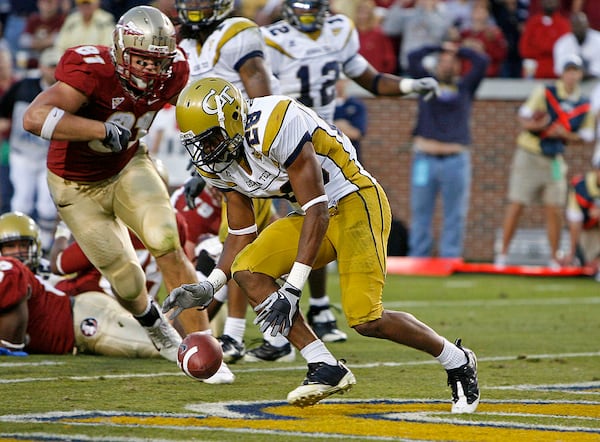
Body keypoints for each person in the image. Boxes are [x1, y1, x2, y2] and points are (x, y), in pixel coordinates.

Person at [163, 76, 480, 413]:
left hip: (355, 201)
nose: (206, 151)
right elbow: (241, 232)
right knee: (248, 269)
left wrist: (292, 290)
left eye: (210, 139)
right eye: (198, 142)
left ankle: (457, 359)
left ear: (232, 121)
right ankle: (324, 365)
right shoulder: (217, 163)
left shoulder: (274, 121)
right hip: (314, 213)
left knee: (365, 319)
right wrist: (210, 285)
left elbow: (317, 208)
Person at [21, 6, 202, 364]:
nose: (151, 72)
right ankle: (156, 327)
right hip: (76, 184)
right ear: (121, 51)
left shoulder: (175, 71)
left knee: (166, 238)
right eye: (142, 61)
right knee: (125, 275)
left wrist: (205, 162)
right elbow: (33, 117)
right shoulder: (92, 70)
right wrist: (100, 129)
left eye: (158, 63)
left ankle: (206, 341)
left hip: (127, 165)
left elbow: (194, 114)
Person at [259, 0, 439, 358]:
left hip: (321, 141)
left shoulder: (339, 30)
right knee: (298, 224)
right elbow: (260, 92)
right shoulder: (271, 38)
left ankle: (318, 308)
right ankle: (287, 323)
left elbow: (368, 79)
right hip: (280, 139)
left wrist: (408, 86)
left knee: (319, 217)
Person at [174, 0, 280, 364]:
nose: (195, 6)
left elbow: (263, 97)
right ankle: (276, 336)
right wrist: (198, 169)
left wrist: (261, 146)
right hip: (220, 154)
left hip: (250, 152)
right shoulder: (185, 46)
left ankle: (234, 335)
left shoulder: (236, 33)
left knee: (237, 244)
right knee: (263, 237)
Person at [0, 212, 163, 358]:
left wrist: (10, 345)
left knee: (162, 346)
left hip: (85, 318)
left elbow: (58, 268)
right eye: (10, 246)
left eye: (23, 245)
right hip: (77, 321)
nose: (18, 252)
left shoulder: (15, 270)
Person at [495, 55, 594, 268]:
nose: (571, 75)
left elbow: (586, 136)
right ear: (562, 72)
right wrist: (537, 125)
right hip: (530, 152)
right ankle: (502, 254)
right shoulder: (546, 92)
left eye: (575, 71)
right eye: (568, 70)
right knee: (517, 202)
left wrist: (565, 135)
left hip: (554, 158)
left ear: (580, 74)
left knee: (555, 207)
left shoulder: (583, 103)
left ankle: (553, 256)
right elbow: (524, 116)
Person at [406, 41, 489, 258]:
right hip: (424, 159)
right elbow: (412, 57)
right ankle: (418, 257)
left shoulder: (465, 88)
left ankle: (449, 258)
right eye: (442, 62)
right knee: (420, 212)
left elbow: (482, 62)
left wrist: (459, 50)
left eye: (451, 62)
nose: (445, 65)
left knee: (455, 214)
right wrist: (438, 47)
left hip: (456, 160)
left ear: (459, 67)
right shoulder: (427, 85)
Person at [0, 47, 60, 252]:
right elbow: (4, 113)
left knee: (47, 205)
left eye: (56, 66)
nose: (53, 70)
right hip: (22, 154)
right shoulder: (22, 87)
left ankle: (43, 248)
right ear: (41, 66)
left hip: (48, 156)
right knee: (21, 202)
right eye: (50, 65)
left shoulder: (66, 93)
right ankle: (18, 247)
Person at [381, 0, 453, 74]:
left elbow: (438, 34)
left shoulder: (444, 15)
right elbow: (389, 29)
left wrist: (428, 11)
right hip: (407, 67)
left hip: (430, 69)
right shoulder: (410, 15)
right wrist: (399, 4)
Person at [562, 157, 600, 276]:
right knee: (585, 264)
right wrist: (571, 252)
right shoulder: (581, 187)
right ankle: (579, 257)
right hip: (588, 231)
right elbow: (575, 221)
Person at [518, 0, 570, 79]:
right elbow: (524, 49)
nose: (549, 2)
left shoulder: (564, 24)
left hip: (557, 73)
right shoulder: (533, 22)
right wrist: (548, 49)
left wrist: (541, 48)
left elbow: (566, 49)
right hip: (535, 70)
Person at [18, 0, 65, 69]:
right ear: (39, 4)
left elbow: (59, 39)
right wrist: (47, 41)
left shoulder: (62, 19)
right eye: (44, 2)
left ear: (57, 4)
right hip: (34, 59)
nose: (47, 6)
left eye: (51, 3)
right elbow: (23, 41)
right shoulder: (33, 19)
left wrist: (36, 42)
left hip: (53, 60)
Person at [553, 12, 600, 79]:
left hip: (596, 83)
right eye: (576, 25)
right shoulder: (562, 43)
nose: (579, 28)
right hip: (570, 84)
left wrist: (577, 73)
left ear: (588, 25)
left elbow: (597, 71)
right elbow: (559, 70)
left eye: (581, 24)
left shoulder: (598, 40)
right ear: (571, 26)